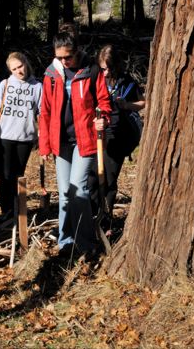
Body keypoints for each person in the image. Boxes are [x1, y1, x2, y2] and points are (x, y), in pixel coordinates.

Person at [38, 23, 112, 258]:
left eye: (68, 57)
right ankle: (65, 242)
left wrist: (104, 119)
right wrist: (45, 145)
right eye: (59, 57)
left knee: (78, 188)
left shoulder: (91, 71)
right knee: (64, 192)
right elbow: (46, 111)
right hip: (61, 142)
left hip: (85, 140)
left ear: (77, 51)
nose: (64, 61)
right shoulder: (51, 75)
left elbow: (104, 102)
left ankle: (87, 244)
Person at [0, 52, 42, 216]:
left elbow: (41, 113)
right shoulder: (5, 84)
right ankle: (6, 211)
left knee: (18, 176)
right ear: (10, 71)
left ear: (26, 63)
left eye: (20, 66)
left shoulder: (37, 87)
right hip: (5, 137)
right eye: (14, 69)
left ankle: (18, 210)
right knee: (5, 176)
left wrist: (41, 135)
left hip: (25, 139)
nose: (18, 71)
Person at [97, 45, 145, 211]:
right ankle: (94, 213)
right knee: (93, 177)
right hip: (97, 133)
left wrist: (126, 105)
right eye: (103, 68)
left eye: (109, 68)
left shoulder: (126, 81)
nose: (106, 72)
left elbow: (142, 103)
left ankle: (107, 216)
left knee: (110, 177)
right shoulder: (96, 79)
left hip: (119, 134)